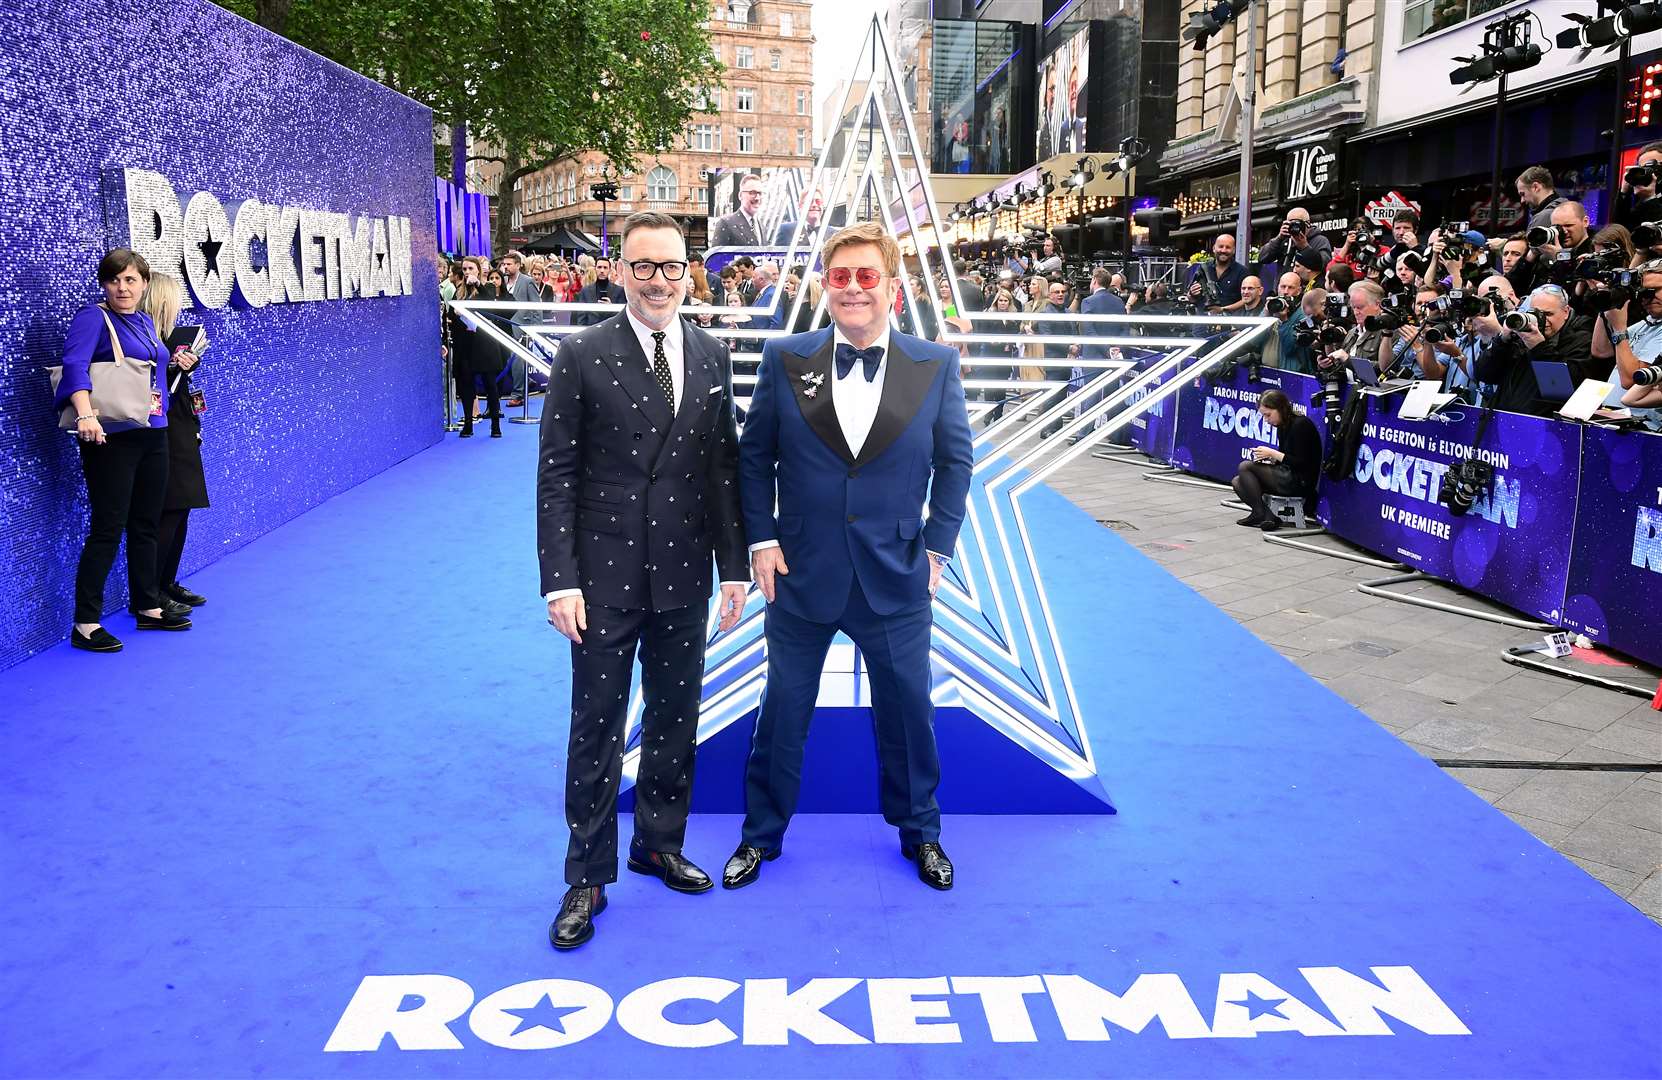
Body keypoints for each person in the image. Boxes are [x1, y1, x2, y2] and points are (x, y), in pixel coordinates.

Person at [726, 221, 973, 894]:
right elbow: (754, 460)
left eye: (868, 276)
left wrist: (939, 546)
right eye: (841, 277)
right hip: (801, 572)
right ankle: (760, 836)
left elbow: (955, 463)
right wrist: (762, 539)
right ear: (825, 287)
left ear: (892, 287)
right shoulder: (785, 357)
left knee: (908, 714)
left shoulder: (936, 365)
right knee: (783, 711)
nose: (854, 289)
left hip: (896, 574)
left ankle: (921, 833)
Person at [537, 212, 749, 950]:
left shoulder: (713, 352)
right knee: (596, 724)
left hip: (686, 573)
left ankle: (657, 842)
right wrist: (559, 580)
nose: (658, 280)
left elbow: (724, 470)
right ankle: (586, 874)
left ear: (689, 273)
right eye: (643, 266)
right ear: (620, 271)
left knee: (674, 717)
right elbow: (556, 476)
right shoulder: (581, 353)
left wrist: (733, 567)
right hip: (602, 577)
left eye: (671, 267)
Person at [54, 249, 197, 652]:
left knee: (146, 523)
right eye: (115, 279)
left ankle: (147, 606)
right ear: (104, 283)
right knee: (107, 527)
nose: (123, 287)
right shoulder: (93, 318)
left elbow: (142, 375)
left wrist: (175, 364)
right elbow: (75, 366)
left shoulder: (146, 322)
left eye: (131, 280)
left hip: (154, 432)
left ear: (144, 285)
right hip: (110, 436)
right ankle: (85, 623)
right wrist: (86, 416)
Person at [138, 273, 210, 612]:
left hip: (181, 425)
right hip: (161, 429)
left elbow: (179, 385)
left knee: (182, 508)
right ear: (162, 300)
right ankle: (149, 593)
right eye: (174, 298)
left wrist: (188, 364)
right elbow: (146, 388)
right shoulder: (143, 340)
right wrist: (171, 369)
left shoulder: (170, 337)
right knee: (168, 509)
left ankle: (166, 582)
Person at [1478, 283, 1595, 415]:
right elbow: (1485, 375)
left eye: (1548, 314)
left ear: (1566, 312)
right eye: (1536, 313)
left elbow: (1558, 391)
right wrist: (1502, 341)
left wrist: (1538, 347)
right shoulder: (1522, 334)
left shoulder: (1582, 340)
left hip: (1544, 427)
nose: (1542, 319)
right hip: (1504, 421)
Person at [1230, 389, 1322, 532]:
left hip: (1301, 481)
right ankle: (1267, 515)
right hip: (1288, 474)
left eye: (1268, 415)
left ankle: (1260, 513)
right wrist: (1271, 460)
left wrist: (1273, 453)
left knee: (1245, 466)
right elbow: (1286, 458)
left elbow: (1302, 463)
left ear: (1280, 408)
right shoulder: (1282, 425)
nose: (1266, 420)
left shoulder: (1301, 425)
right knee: (1237, 481)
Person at [1590, 258, 1662, 429]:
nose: (1648, 297)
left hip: (1643, 429)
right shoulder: (1645, 324)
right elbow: (1600, 351)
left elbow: (1631, 380)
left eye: (1655, 290)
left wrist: (1620, 328)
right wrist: (1606, 305)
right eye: (1643, 291)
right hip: (1614, 420)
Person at [448, 258, 505, 437]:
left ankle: (495, 425)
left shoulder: (487, 287)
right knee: (466, 386)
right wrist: (457, 315)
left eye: (471, 268)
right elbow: (449, 316)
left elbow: (491, 306)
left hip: (484, 344)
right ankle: (468, 425)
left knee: (490, 385)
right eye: (464, 268)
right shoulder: (459, 291)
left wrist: (478, 284)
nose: (467, 272)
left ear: (479, 270)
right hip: (465, 345)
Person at [1259, 208, 1333, 276]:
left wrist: (1305, 247)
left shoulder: (1320, 240)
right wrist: (1279, 238)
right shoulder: (1284, 240)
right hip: (1284, 287)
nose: (1294, 227)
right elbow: (1262, 258)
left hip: (1308, 288)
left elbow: (1324, 265)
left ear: (1308, 224)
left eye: (1298, 223)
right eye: (1291, 224)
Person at [1186, 233, 1249, 312]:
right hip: (1203, 321)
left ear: (1233, 250)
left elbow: (1247, 300)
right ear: (1214, 248)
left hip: (1230, 321)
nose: (1223, 250)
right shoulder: (1203, 268)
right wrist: (1192, 293)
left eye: (1228, 247)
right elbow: (1190, 298)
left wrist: (1222, 310)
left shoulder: (1242, 271)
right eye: (1221, 246)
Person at [711, 173, 767, 247]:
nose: (757, 198)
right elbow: (717, 257)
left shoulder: (761, 226)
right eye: (752, 193)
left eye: (760, 193)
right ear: (740, 195)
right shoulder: (725, 223)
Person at [574, 256, 626, 327]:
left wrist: (612, 308)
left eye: (605, 268)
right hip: (591, 332)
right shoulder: (585, 291)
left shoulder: (619, 291)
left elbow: (623, 317)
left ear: (610, 270)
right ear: (595, 269)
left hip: (611, 331)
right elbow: (581, 317)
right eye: (599, 267)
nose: (602, 270)